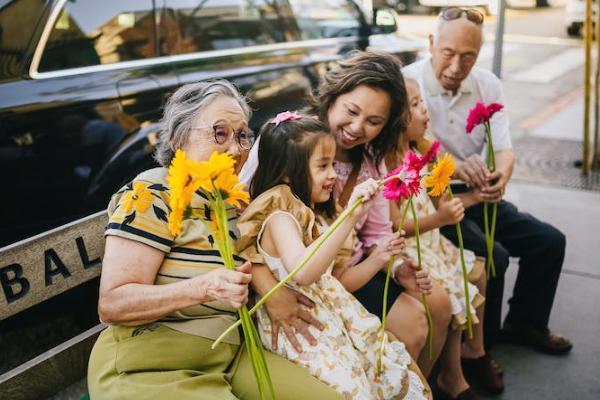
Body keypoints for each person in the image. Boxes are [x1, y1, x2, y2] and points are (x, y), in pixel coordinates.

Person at [87, 81, 344, 400]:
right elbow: (112, 304)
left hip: (229, 356)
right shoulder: (152, 195)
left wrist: (269, 291)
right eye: (220, 133)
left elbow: (252, 257)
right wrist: (203, 288)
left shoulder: (233, 201)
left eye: (242, 136)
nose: (236, 149)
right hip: (153, 365)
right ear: (179, 137)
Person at [240, 51, 453, 369]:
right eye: (351, 111)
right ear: (332, 98)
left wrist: (395, 268)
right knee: (414, 324)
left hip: (351, 268)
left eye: (373, 122)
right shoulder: (286, 140)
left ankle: (437, 379)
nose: (356, 127)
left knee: (440, 302)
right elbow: (240, 222)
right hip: (304, 276)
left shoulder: (371, 160)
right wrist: (270, 291)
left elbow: (377, 234)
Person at [403, 4, 571, 390]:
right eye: (448, 52)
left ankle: (525, 322)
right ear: (431, 43)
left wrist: (501, 176)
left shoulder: (487, 83)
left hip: (481, 193)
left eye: (469, 56)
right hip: (435, 197)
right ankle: (477, 349)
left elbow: (505, 147)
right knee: (489, 256)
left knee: (549, 242)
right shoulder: (407, 82)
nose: (457, 64)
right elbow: (412, 143)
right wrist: (457, 167)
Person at [237, 112, 431, 399]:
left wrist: (378, 257)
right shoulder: (279, 216)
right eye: (323, 166)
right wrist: (349, 217)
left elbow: (333, 280)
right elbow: (302, 272)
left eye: (333, 164)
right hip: (302, 332)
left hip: (328, 322)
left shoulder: (305, 215)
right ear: (289, 173)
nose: (332, 174)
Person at [386, 77, 502, 399]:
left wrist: (475, 198)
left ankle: (465, 361)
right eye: (414, 105)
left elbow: (443, 200)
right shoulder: (389, 165)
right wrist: (440, 217)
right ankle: (452, 377)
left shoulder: (424, 150)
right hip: (413, 248)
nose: (425, 111)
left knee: (477, 271)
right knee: (453, 288)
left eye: (422, 102)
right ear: (396, 119)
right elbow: (397, 226)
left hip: (434, 243)